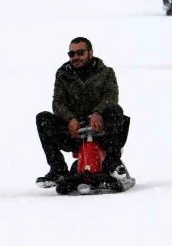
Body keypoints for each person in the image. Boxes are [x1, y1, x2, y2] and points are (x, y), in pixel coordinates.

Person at [35, 37, 132, 187]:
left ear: (90, 53)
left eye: (80, 53)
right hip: (74, 132)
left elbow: (111, 97)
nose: (75, 57)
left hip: (102, 129)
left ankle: (112, 164)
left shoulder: (106, 72)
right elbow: (58, 102)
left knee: (115, 110)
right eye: (71, 54)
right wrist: (69, 119)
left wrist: (97, 112)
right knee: (43, 118)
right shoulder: (63, 74)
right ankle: (58, 170)